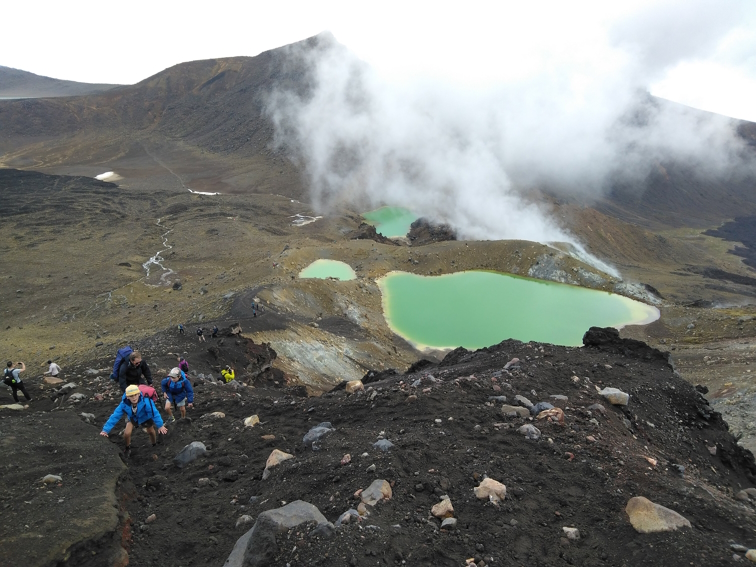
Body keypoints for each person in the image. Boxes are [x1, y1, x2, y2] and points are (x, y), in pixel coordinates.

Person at [100, 384, 166, 455]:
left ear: (138, 394)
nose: (134, 398)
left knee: (151, 431)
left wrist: (160, 425)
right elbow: (115, 416)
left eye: (135, 395)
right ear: (127, 397)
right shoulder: (124, 404)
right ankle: (127, 447)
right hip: (133, 417)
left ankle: (154, 444)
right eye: (131, 396)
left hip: (145, 417)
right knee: (127, 433)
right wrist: (105, 430)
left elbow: (154, 413)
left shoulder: (146, 401)